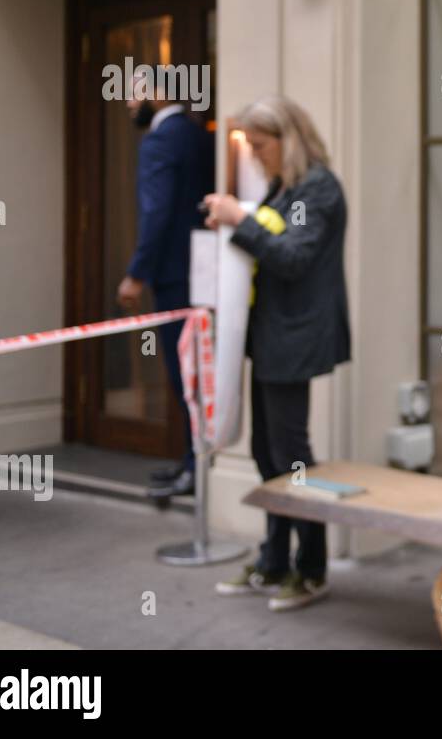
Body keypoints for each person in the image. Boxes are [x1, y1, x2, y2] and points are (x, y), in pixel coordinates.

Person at [206, 95, 350, 612]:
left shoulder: (317, 187)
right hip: (272, 335)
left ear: (287, 139)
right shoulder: (286, 187)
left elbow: (293, 256)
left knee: (291, 456)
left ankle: (310, 569)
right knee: (270, 455)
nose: (255, 155)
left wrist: (237, 222)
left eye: (260, 145)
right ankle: (273, 560)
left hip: (295, 337)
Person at [117, 78, 214, 501]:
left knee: (183, 374)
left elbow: (156, 211)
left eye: (134, 93)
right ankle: (194, 461)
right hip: (203, 272)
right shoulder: (196, 133)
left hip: (175, 276)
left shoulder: (160, 141)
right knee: (195, 371)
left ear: (158, 93)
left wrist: (137, 272)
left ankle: (196, 468)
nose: (127, 103)